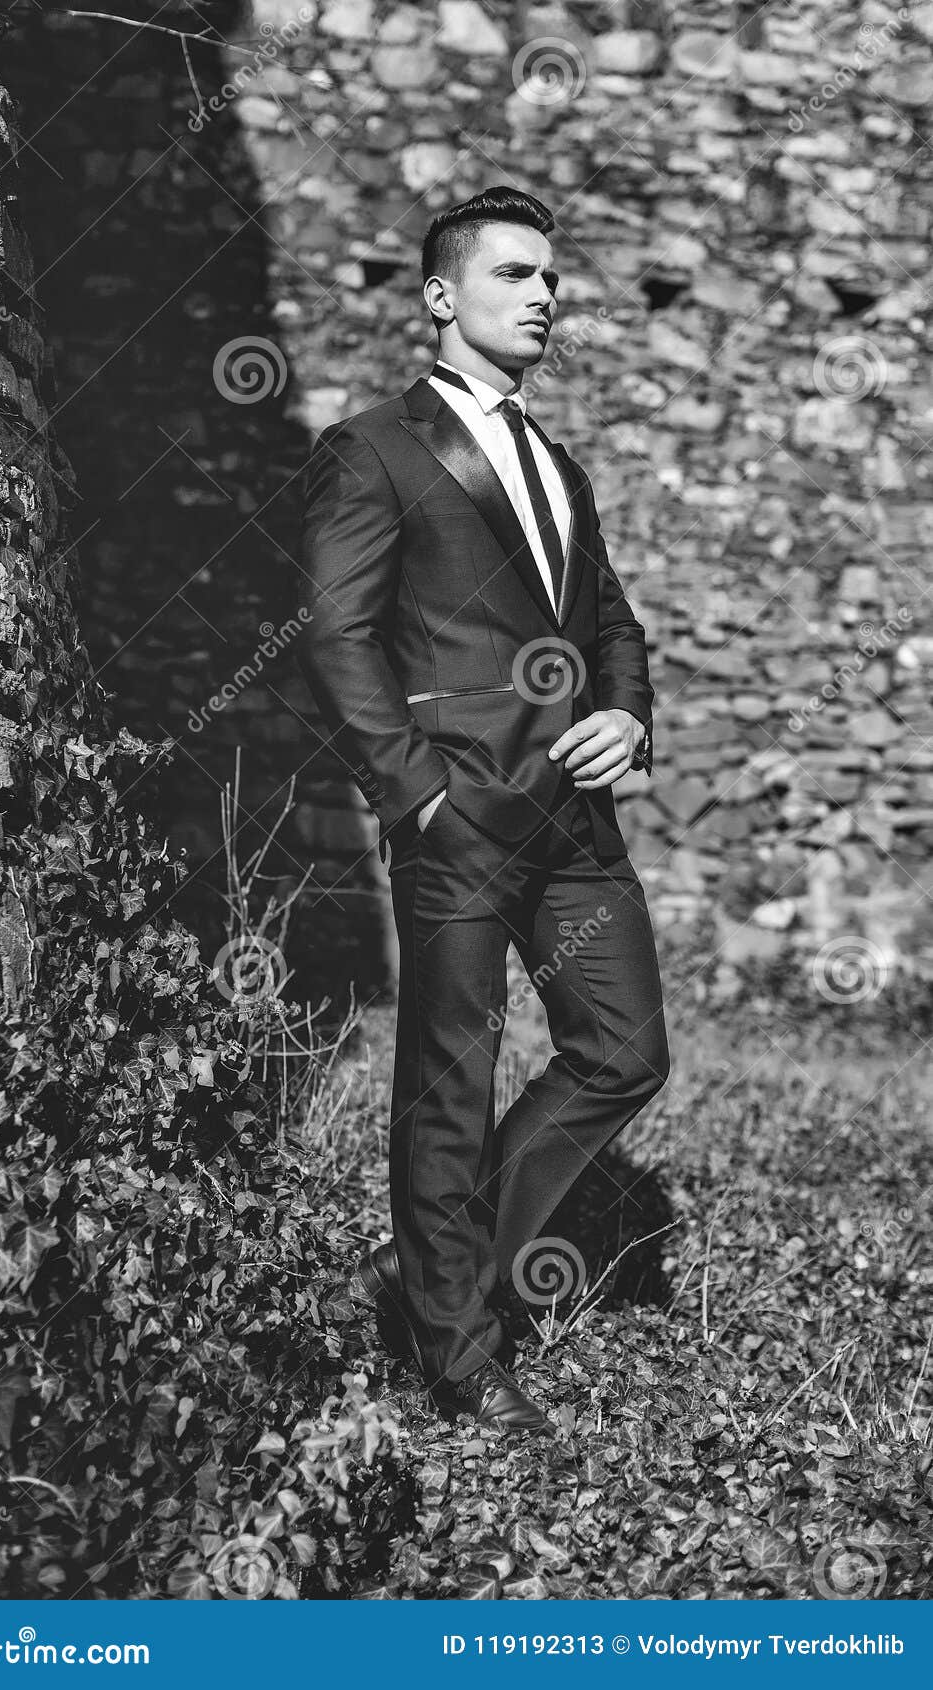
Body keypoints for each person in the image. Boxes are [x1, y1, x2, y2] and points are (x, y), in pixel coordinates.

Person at [296, 186, 670, 1439]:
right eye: (517, 276)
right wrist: (416, 795)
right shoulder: (373, 449)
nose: (546, 296)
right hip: (454, 813)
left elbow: (606, 622)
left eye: (551, 278)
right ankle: (458, 1349)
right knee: (448, 1083)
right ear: (443, 298)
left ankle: (429, 1273)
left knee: (623, 1050)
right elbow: (337, 638)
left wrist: (625, 715)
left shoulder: (561, 466)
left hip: (573, 819)